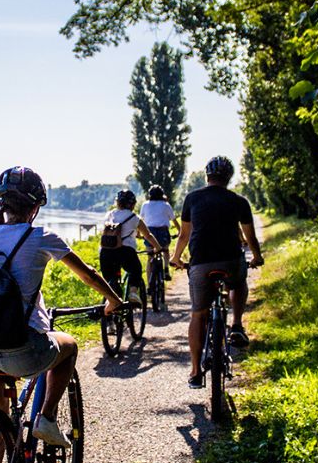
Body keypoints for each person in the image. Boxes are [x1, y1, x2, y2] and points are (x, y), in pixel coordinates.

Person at [0, 166, 122, 447]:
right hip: (23, 351)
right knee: (69, 346)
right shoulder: (41, 237)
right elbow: (88, 275)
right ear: (35, 207)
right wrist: (113, 300)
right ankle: (46, 418)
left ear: (2, 203)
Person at [171, 156, 264, 389]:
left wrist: (175, 258)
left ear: (207, 176)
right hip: (231, 260)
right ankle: (237, 325)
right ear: (229, 178)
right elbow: (250, 237)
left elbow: (184, 235)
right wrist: (257, 256)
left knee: (198, 314)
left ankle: (194, 372)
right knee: (239, 283)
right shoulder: (239, 201)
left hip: (201, 263)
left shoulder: (192, 198)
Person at [99, 189, 163, 307]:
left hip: (105, 252)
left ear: (117, 202)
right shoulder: (134, 217)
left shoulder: (109, 215)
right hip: (125, 251)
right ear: (132, 204)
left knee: (110, 281)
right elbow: (148, 235)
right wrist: (158, 247)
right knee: (136, 269)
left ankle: (110, 302)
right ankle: (133, 293)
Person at [139, 184, 181, 283]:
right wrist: (179, 232)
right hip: (163, 232)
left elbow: (140, 221)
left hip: (150, 232)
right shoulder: (166, 205)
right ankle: (166, 269)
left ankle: (149, 285)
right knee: (165, 250)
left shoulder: (145, 205)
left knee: (150, 258)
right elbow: (174, 221)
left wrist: (139, 234)